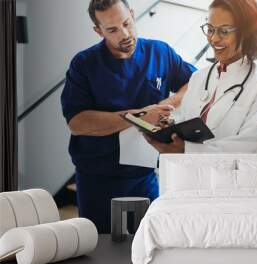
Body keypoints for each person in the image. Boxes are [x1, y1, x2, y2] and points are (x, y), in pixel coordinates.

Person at [60, 0, 196, 233]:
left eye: (127, 23)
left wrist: (167, 103)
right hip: (96, 179)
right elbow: (77, 122)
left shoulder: (159, 52)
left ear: (133, 15)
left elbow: (194, 83)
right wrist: (139, 116)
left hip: (143, 176)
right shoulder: (84, 64)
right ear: (98, 31)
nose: (124, 34)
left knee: (148, 247)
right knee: (98, 252)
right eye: (112, 29)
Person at [145, 0, 257, 154]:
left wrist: (187, 150)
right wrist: (169, 129)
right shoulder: (198, 78)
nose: (214, 39)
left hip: (231, 176)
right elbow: (186, 124)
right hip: (188, 174)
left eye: (224, 31)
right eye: (210, 29)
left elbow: (252, 145)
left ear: (247, 32)